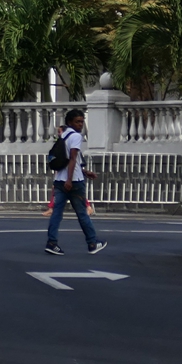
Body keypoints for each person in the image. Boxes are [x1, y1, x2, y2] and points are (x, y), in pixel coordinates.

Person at [45, 110, 105, 256]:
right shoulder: (76, 136)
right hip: (74, 183)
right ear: (70, 122)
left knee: (57, 213)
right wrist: (70, 180)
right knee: (82, 214)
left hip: (59, 180)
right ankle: (92, 242)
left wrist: (85, 171)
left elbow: (71, 160)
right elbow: (72, 158)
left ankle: (52, 243)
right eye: (78, 121)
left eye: (82, 121)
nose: (81, 124)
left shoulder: (64, 135)